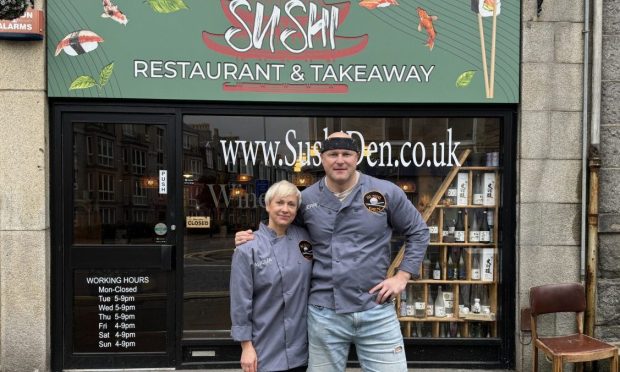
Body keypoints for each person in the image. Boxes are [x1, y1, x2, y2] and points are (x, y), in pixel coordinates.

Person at [236, 131, 429, 372]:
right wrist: (254, 238)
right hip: (325, 314)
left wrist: (403, 276)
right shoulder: (306, 200)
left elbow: (419, 231)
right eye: (332, 154)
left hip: (376, 310)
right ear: (322, 159)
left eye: (346, 154)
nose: (340, 160)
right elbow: (283, 231)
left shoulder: (386, 192)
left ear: (357, 157)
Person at [229, 180, 313, 372]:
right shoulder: (248, 247)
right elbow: (241, 302)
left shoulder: (307, 238)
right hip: (265, 346)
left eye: (291, 204)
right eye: (279, 203)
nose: (285, 209)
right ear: (267, 205)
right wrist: (246, 346)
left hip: (303, 348)